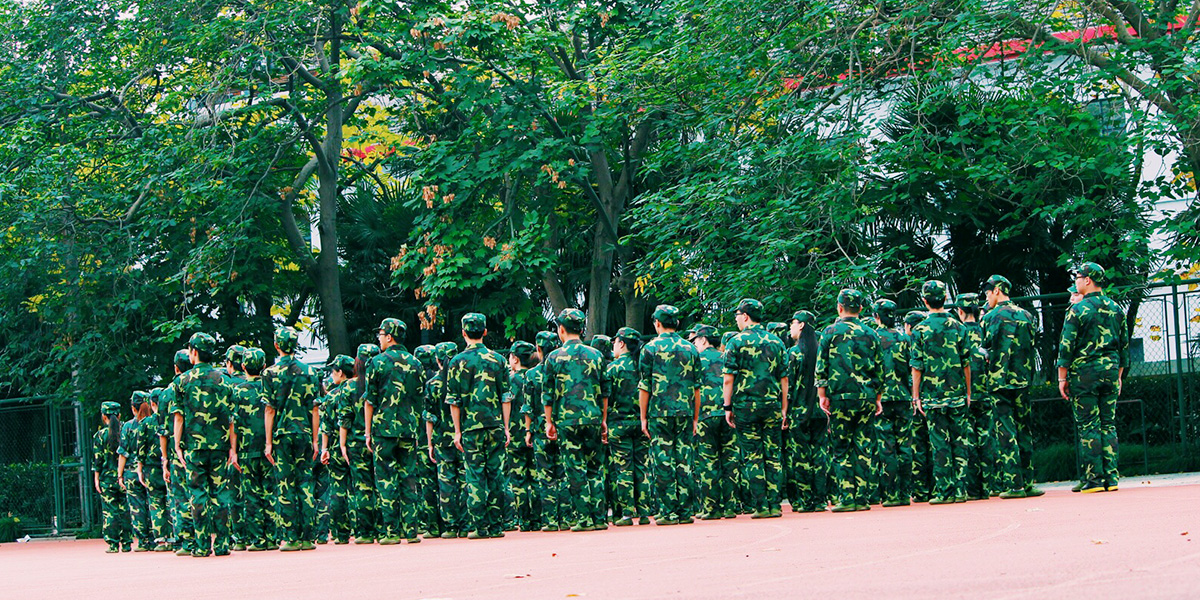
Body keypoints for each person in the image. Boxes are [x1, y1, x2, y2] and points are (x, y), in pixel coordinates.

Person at [1057, 262, 1129, 493]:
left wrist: (1062, 378)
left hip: (1084, 374)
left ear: (1087, 280)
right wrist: (1118, 376)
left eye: (1078, 277)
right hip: (1109, 372)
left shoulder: (1077, 310)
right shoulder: (1116, 308)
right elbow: (1124, 348)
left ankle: (1094, 479)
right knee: (1108, 424)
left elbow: (1066, 347)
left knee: (1088, 425)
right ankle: (1112, 477)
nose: (1076, 281)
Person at [172, 332, 238, 557]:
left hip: (194, 447)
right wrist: (232, 447)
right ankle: (222, 544)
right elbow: (231, 418)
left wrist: (177, 445)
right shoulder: (225, 380)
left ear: (194, 352)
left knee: (197, 494)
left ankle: (201, 546)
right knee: (220, 493)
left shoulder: (182, 381)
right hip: (219, 446)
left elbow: (178, 416)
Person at [447, 313, 512, 539]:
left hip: (470, 428)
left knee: (474, 476)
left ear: (463, 332)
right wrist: (506, 427)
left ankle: (479, 527)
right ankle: (497, 526)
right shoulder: (499, 360)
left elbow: (454, 401)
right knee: (496, 475)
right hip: (494, 425)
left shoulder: (456, 362)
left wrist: (457, 431)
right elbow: (506, 396)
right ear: (485, 331)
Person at [815, 289, 881, 512]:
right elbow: (879, 369)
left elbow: (821, 366)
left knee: (841, 447)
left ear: (839, 307)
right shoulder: (871, 333)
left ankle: (847, 497)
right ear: (861, 309)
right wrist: (878, 397)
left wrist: (822, 395)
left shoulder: (830, 332)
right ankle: (862, 497)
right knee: (863, 446)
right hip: (866, 396)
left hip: (840, 396)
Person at [637, 305, 702, 525]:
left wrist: (643, 417)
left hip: (658, 413)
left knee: (663, 460)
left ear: (657, 323)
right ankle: (685, 511)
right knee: (684, 460)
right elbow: (696, 388)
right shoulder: (690, 348)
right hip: (684, 411)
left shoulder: (650, 349)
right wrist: (695, 417)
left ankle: (667, 511)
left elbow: (645, 386)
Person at [723, 298, 788, 519]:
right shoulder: (776, 342)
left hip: (745, 406)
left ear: (746, 316)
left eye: (738, 315)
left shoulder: (735, 342)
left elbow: (728, 380)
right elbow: (784, 380)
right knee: (773, 455)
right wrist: (784, 408)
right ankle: (775, 504)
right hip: (771, 405)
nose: (737, 319)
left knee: (752, 455)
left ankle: (761, 505)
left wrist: (727, 406)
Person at [543, 309, 606, 531]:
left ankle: (584, 519)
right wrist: (603, 419)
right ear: (581, 329)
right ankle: (599, 518)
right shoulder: (596, 355)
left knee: (575, 469)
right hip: (593, 417)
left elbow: (548, 394)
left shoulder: (553, 357)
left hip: (567, 421)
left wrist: (549, 422)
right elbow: (604, 391)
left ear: (561, 329)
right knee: (595, 468)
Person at [364, 318, 425, 545]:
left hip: (383, 429)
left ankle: (391, 531)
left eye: (380, 334)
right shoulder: (416, 363)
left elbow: (370, 400)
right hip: (409, 428)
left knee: (386, 479)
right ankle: (411, 531)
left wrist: (368, 432)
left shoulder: (377, 363)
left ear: (389, 336)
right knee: (409, 478)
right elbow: (420, 398)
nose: (379, 339)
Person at [980, 274, 1041, 499]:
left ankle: (1014, 484)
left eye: (988, 292)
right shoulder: (1026, 315)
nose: (987, 296)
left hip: (999, 382)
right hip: (1022, 380)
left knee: (1005, 430)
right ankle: (1028, 482)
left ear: (997, 290)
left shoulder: (989, 318)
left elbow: (984, 348)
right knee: (1024, 429)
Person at [910, 281, 971, 505]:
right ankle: (960, 490)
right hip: (957, 392)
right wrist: (968, 392)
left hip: (932, 395)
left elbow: (917, 367)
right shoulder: (958, 326)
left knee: (939, 444)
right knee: (959, 441)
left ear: (925, 301)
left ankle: (944, 491)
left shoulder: (919, 330)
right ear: (944, 299)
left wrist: (916, 396)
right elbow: (966, 363)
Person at [262, 326, 321, 551]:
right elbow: (314, 409)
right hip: (304, 432)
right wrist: (316, 440)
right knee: (305, 482)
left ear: (277, 345)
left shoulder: (270, 373)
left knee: (285, 484)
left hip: (282, 434)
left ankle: (291, 538)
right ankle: (308, 537)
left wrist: (268, 442)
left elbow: (270, 410)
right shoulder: (310, 372)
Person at [692, 324, 738, 519]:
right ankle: (731, 506)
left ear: (703, 340)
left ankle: (711, 508)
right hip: (728, 414)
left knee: (708, 461)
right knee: (730, 460)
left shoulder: (696, 360)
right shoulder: (726, 357)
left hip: (704, 416)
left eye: (695, 341)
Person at [232, 347, 276, 551]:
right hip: (270, 448)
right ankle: (273, 537)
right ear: (264, 366)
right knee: (271, 492)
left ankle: (257, 539)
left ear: (243, 367)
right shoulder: (271, 386)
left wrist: (233, 451)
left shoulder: (237, 391)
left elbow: (232, 424)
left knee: (251, 495)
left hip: (246, 449)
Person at [872, 300, 913, 507]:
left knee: (885, 447)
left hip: (881, 399)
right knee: (905, 445)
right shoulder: (904, 338)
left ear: (876, 316)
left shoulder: (872, 337)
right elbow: (912, 367)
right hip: (903, 397)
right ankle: (905, 493)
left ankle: (890, 494)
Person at [956, 292, 996, 500]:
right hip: (987, 392)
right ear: (979, 311)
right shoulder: (986, 330)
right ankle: (988, 486)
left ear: (960, 311)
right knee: (987, 439)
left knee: (968, 441)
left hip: (965, 395)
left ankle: (973, 489)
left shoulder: (957, 332)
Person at [340, 343, 381, 543]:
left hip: (356, 443)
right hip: (380, 438)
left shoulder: (348, 386)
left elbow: (344, 418)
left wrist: (342, 444)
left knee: (362, 487)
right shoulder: (382, 382)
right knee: (382, 484)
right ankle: (387, 528)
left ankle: (365, 532)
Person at [425, 341, 466, 538]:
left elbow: (429, 417)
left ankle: (450, 526)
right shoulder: (463, 379)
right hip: (464, 435)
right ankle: (467, 524)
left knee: (446, 482)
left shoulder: (432, 384)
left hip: (442, 438)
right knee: (466, 479)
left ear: (437, 360)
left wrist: (429, 443)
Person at [525, 330, 564, 531]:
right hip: (563, 426)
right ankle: (567, 518)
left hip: (541, 430)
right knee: (563, 474)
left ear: (538, 349)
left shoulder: (531, 375)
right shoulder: (562, 368)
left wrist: (528, 430)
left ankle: (550, 520)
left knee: (546, 476)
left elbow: (528, 407)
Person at [159, 349, 195, 555]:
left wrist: (165, 457)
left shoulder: (167, 393)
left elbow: (163, 430)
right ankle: (208, 538)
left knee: (180, 496)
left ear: (175, 367)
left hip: (178, 452)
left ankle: (186, 542)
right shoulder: (205, 382)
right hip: (203, 446)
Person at [319, 355, 357, 544]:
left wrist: (324, 448)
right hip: (357, 444)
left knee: (338, 489)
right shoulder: (360, 389)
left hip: (336, 446)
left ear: (340, 373)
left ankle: (341, 533)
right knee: (360, 487)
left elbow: (325, 426)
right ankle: (363, 529)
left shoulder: (332, 396)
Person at [505, 341, 540, 531]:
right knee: (535, 477)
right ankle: (537, 518)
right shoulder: (535, 376)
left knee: (517, 479)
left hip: (514, 434)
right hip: (533, 431)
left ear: (515, 358)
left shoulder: (510, 380)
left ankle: (524, 520)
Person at [93, 401, 131, 553]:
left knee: (110, 511)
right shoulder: (126, 431)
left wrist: (96, 478)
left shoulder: (100, 436)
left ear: (103, 416)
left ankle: (113, 544)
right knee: (125, 509)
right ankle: (127, 542)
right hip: (124, 476)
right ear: (119, 415)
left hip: (107, 478)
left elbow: (98, 460)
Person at [117, 391, 153, 551]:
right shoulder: (154, 422)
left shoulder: (128, 426)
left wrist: (119, 475)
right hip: (151, 470)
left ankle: (143, 541)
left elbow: (123, 453)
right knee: (155, 504)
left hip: (132, 473)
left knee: (137, 507)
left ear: (133, 408)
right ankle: (159, 538)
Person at [902, 310, 931, 502]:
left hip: (914, 399)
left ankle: (921, 490)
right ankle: (936, 486)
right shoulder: (930, 341)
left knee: (917, 446)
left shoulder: (905, 345)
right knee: (933, 444)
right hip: (931, 398)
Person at [139, 388, 173, 551]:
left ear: (152, 403)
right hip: (170, 464)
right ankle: (177, 536)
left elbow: (140, 449)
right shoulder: (171, 419)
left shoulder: (145, 423)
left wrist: (140, 469)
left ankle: (161, 539)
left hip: (151, 468)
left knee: (156, 501)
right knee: (172, 500)